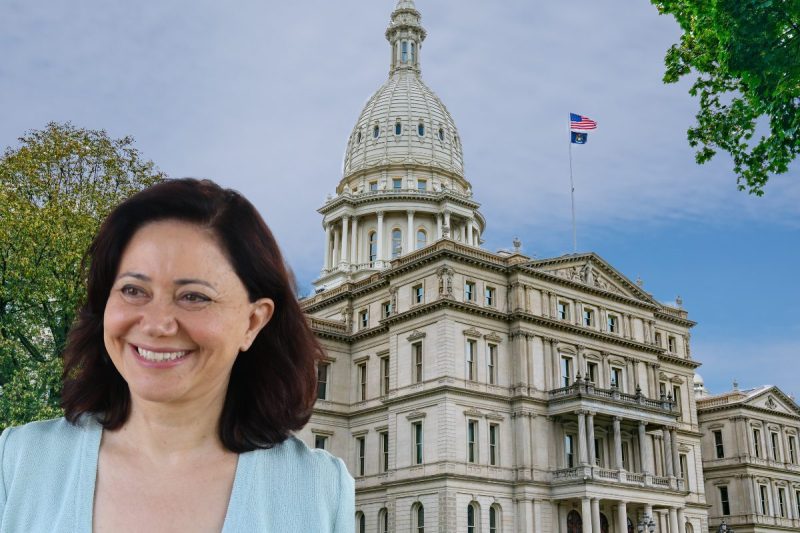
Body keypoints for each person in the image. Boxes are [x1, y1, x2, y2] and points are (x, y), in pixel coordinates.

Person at [0, 179, 354, 532]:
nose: (156, 325)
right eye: (133, 290)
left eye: (194, 297)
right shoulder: (17, 463)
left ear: (252, 322)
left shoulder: (320, 490)